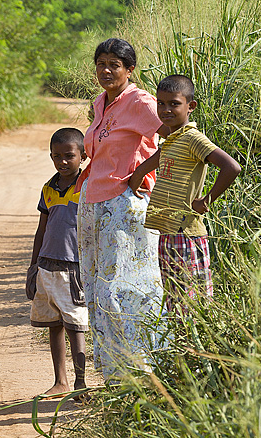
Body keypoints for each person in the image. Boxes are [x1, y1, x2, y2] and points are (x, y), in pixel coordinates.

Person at [75, 38, 169, 384]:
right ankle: (115, 377)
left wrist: (142, 171)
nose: (106, 70)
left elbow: (178, 136)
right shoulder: (101, 102)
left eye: (115, 64)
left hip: (124, 206)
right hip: (94, 203)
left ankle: (143, 371)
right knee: (98, 287)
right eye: (101, 63)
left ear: (130, 69)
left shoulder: (140, 101)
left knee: (126, 287)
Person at [129, 74, 241, 318]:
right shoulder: (173, 138)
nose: (166, 109)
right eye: (161, 103)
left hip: (185, 234)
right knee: (174, 304)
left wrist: (206, 201)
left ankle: (196, 354)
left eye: (174, 104)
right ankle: (181, 353)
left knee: (192, 306)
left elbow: (231, 167)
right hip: (168, 233)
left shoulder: (192, 138)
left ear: (191, 107)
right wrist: (139, 172)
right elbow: (162, 156)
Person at [26, 128, 88, 396]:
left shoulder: (87, 185)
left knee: (76, 325)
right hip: (47, 265)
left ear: (83, 156)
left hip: (74, 266)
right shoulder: (48, 188)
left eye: (69, 156)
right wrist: (33, 267)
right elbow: (42, 229)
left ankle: (81, 382)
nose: (62, 162)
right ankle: (60, 381)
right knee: (54, 323)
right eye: (56, 156)